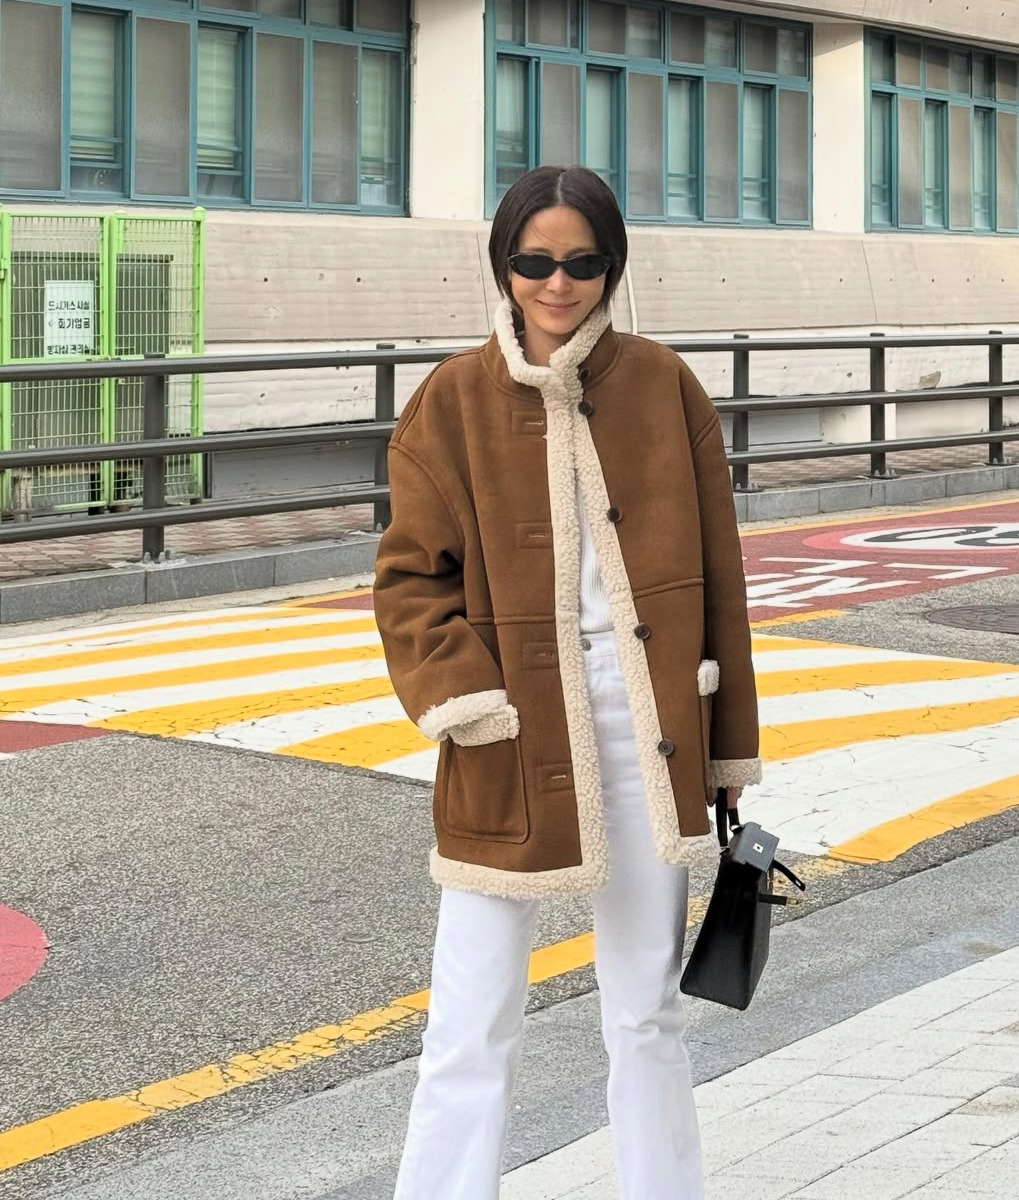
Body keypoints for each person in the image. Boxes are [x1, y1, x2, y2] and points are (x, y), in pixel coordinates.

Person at [373, 164, 761, 1200]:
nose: (557, 283)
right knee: (469, 1019)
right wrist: (466, 701)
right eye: (533, 260)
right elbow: (408, 580)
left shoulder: (664, 385)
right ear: (502, 264)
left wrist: (728, 750)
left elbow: (719, 579)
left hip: (648, 734)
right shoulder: (451, 398)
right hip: (506, 737)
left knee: (646, 1012)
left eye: (581, 262)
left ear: (611, 266)